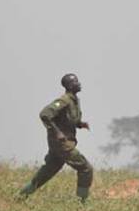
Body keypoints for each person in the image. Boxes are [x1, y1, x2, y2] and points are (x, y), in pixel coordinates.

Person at [19, 73, 94, 202]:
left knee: (48, 171)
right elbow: (45, 114)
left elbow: (69, 119)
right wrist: (57, 132)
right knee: (86, 168)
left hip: (63, 143)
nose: (79, 83)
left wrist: (80, 124)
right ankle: (82, 201)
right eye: (75, 82)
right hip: (62, 143)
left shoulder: (74, 100)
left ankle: (22, 195)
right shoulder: (64, 100)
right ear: (69, 86)